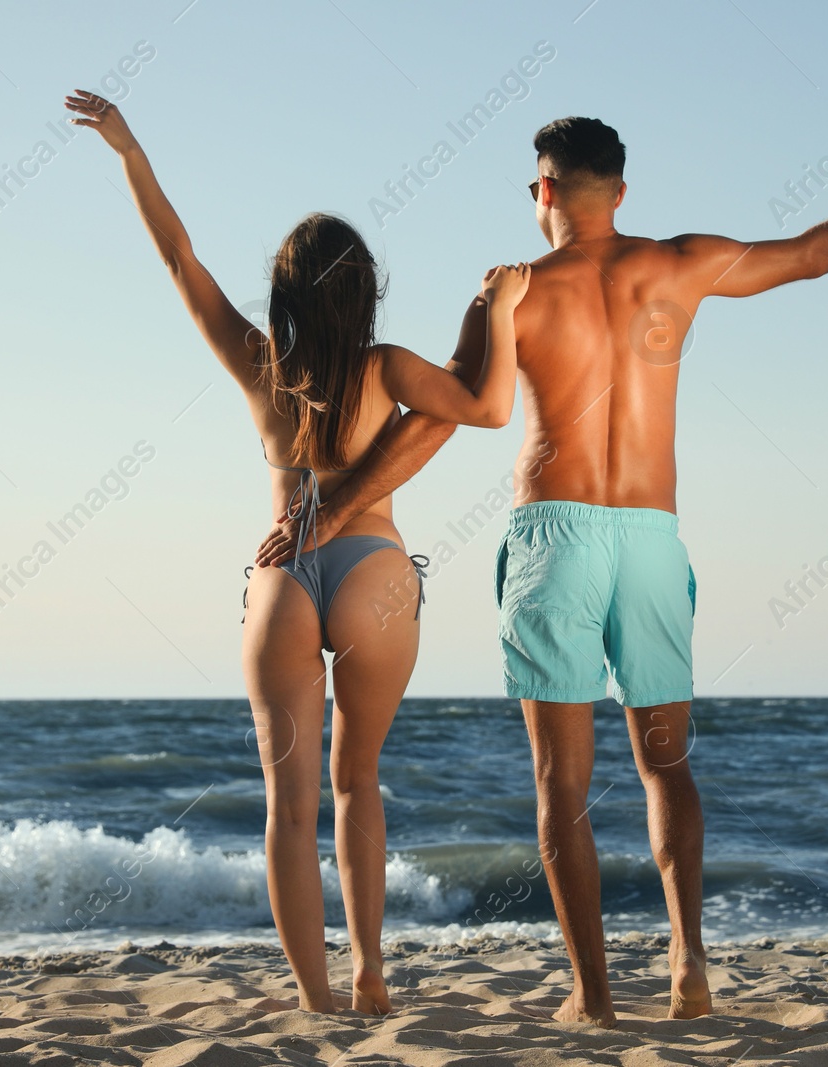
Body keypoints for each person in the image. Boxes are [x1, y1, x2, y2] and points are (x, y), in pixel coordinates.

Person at [256, 117, 828, 1025]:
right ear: (619, 191)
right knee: (666, 763)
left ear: (542, 193)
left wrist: (334, 509)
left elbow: (441, 415)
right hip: (652, 532)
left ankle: (596, 993)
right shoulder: (683, 263)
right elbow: (811, 255)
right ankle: (689, 955)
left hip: (555, 534)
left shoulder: (516, 292)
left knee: (561, 784)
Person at [66, 89, 531, 1014]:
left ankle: (316, 1000)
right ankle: (370, 970)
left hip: (281, 582)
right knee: (358, 780)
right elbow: (487, 405)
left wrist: (129, 151)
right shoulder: (389, 368)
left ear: (280, 295)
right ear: (366, 293)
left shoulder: (257, 365)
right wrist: (500, 308)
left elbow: (177, 256)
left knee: (289, 808)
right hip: (375, 574)